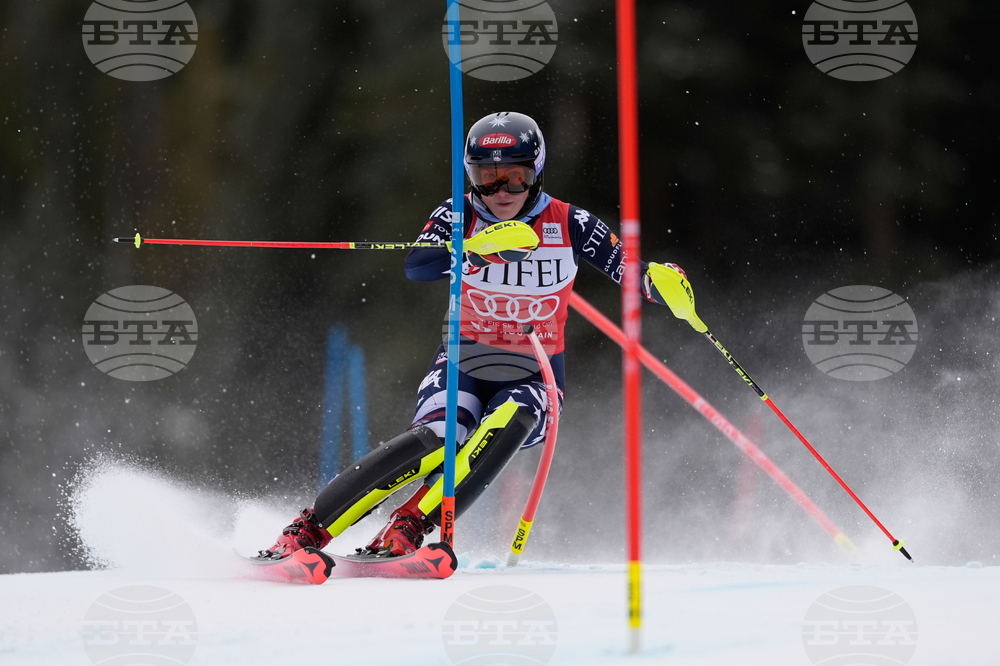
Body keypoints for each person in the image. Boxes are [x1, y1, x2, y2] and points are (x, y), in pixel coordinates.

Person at [257, 111, 690, 560]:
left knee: (512, 416)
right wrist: (472, 253)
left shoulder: (570, 222)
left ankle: (408, 525)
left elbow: (629, 270)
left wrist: (664, 284)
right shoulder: (457, 214)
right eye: (487, 179)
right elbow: (418, 265)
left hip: (535, 374)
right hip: (464, 364)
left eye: (515, 178)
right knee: (440, 436)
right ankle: (305, 532)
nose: (500, 193)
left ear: (536, 174)